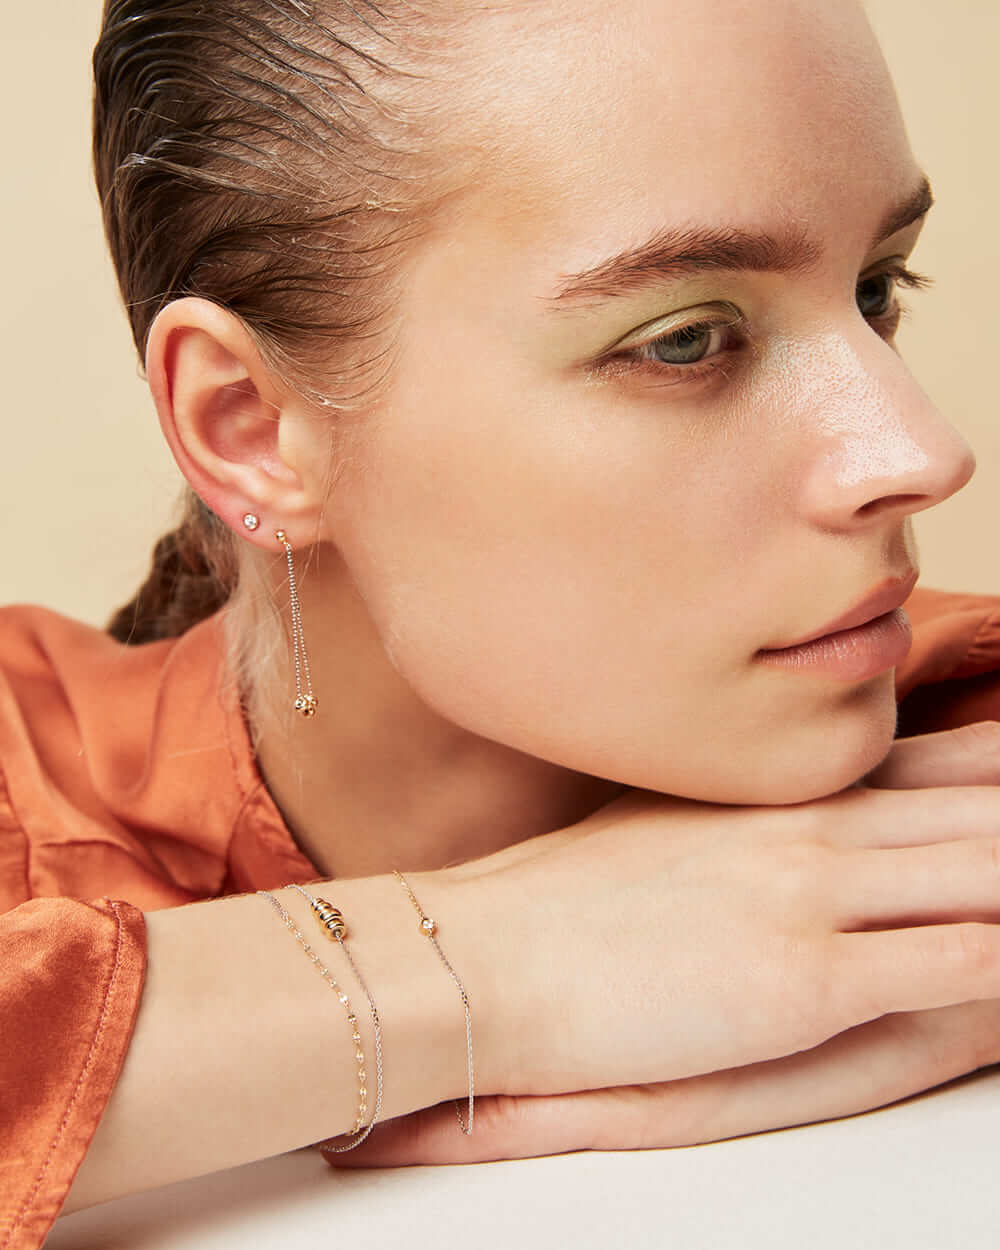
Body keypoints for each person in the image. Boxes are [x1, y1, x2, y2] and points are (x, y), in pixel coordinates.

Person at [4, 0, 1000, 1246]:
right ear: (249, 429)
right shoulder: (28, 791)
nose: (918, 451)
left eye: (875, 285)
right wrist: (497, 965)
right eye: (685, 339)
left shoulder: (961, 722)